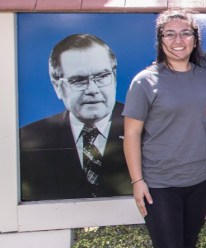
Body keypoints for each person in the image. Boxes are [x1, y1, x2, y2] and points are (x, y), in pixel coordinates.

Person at [123, 10, 206, 248]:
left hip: (199, 178)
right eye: (170, 34)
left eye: (185, 33)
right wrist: (137, 180)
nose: (179, 40)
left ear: (195, 39)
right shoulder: (145, 81)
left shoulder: (205, 76)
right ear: (160, 41)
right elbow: (131, 135)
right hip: (160, 183)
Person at [19, 34, 131, 201]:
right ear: (57, 87)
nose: (92, 89)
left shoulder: (147, 127)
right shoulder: (28, 139)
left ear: (114, 77)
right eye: (78, 80)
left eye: (102, 76)